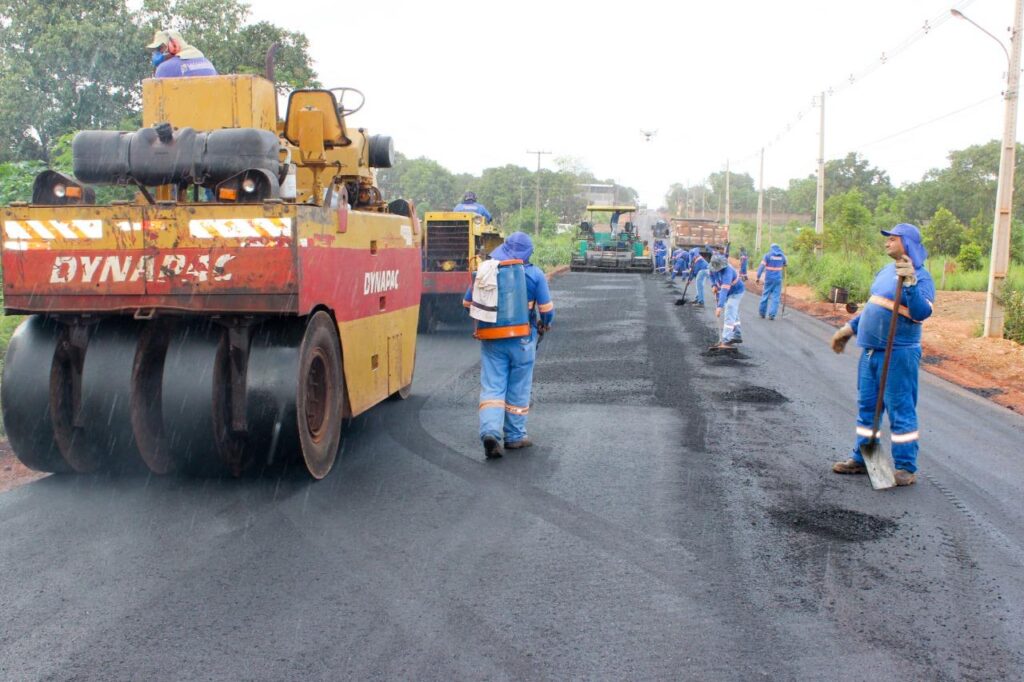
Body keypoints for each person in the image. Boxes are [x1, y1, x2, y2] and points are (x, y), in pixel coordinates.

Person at [829, 224, 935, 487]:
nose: (887, 242)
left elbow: (921, 312)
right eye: (887, 239)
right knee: (867, 407)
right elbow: (874, 305)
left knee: (900, 408)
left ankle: (905, 467)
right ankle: (863, 458)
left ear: (907, 243)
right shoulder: (886, 272)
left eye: (893, 239)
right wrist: (848, 329)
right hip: (871, 352)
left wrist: (910, 283)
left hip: (898, 353)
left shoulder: (922, 277)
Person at [464, 232, 554, 458]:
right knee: (518, 387)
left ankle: (490, 432)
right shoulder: (534, 274)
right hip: (522, 340)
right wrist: (544, 324)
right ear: (528, 253)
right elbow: (547, 310)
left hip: (492, 339)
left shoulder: (486, 270)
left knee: (493, 387)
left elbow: (467, 303)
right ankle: (515, 436)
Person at [146, 30, 217, 78]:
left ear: (173, 45)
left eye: (159, 48)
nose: (157, 53)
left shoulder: (164, 68)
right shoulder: (208, 64)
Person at [709, 254, 745, 345]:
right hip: (727, 291)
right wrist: (713, 285)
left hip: (736, 292)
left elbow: (724, 291)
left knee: (730, 309)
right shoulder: (712, 267)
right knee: (733, 312)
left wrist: (719, 307)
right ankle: (737, 335)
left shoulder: (727, 272)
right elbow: (711, 275)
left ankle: (726, 339)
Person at [756, 243, 788, 319]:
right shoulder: (782, 256)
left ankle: (762, 313)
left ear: (772, 248)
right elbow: (786, 263)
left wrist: (758, 277)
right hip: (778, 280)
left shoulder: (767, 256)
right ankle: (772, 315)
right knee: (776, 297)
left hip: (768, 279)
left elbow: (761, 267)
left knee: (765, 295)